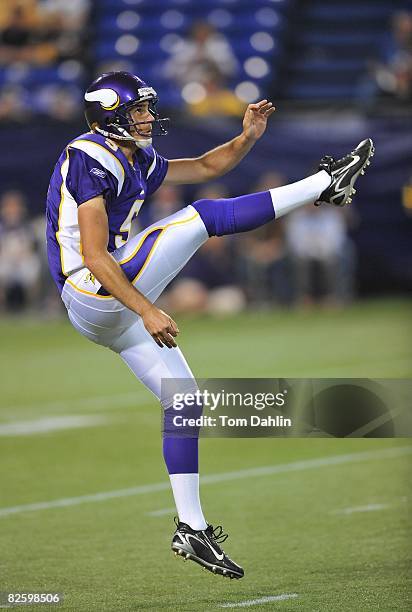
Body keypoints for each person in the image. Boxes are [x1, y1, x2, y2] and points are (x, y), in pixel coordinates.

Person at [45, 71, 374, 579]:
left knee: (185, 401)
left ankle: (190, 529)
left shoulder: (133, 156)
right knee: (201, 218)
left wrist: (246, 138)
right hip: (95, 286)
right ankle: (324, 184)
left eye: (146, 109)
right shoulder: (90, 155)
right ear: (110, 116)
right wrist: (146, 309)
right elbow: (92, 252)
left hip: (106, 304)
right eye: (137, 111)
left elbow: (205, 164)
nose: (147, 118)